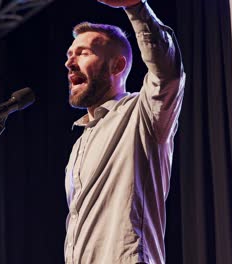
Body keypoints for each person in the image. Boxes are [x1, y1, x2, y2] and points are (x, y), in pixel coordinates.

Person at [64, 0, 185, 263]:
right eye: (69, 55)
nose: (69, 63)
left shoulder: (142, 114)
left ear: (117, 66)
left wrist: (135, 7)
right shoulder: (79, 144)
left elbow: (168, 74)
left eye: (83, 53)